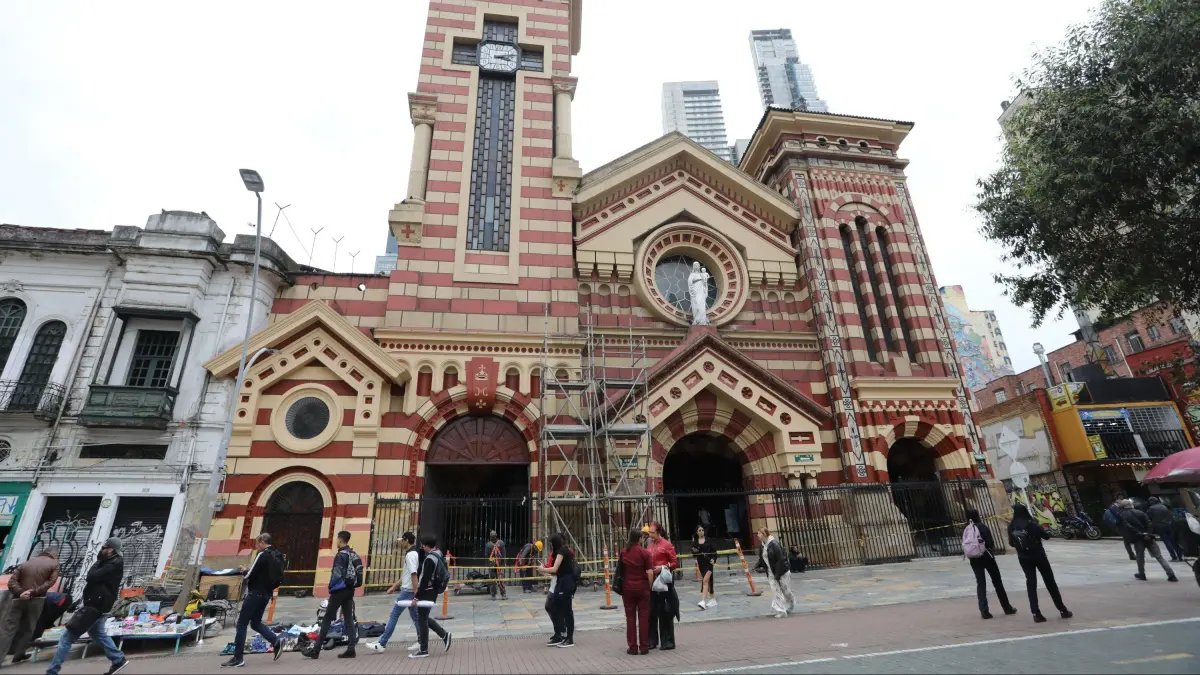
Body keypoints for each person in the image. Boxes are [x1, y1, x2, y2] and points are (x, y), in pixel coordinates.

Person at [45, 538, 126, 675]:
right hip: (97, 604)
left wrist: (98, 561)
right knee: (97, 633)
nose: (101, 549)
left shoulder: (114, 564)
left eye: (104, 548)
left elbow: (91, 576)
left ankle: (52, 671)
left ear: (111, 549)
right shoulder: (108, 562)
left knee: (67, 637)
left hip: (95, 605)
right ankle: (118, 659)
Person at [221, 533, 287, 667]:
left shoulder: (262, 555)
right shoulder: (277, 555)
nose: (257, 547)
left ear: (263, 542)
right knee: (255, 623)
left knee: (241, 624)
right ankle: (276, 641)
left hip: (255, 593)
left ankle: (238, 658)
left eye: (257, 544)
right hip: (266, 594)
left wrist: (244, 571)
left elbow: (249, 575)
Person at [1008, 504, 1073, 623]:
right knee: (1050, 582)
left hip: (1023, 558)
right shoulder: (1031, 524)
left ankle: (1035, 613)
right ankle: (1062, 609)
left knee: (1031, 583)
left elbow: (1011, 543)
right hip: (1038, 555)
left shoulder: (1011, 526)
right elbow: (1046, 536)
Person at [306, 530, 362, 659]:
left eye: (337, 539)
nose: (336, 541)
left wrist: (331, 587)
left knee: (327, 619)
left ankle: (316, 650)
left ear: (341, 539)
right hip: (350, 590)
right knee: (348, 618)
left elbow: (337, 574)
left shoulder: (340, 555)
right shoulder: (353, 554)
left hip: (339, 590)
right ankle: (351, 648)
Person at [0, 546, 58, 665]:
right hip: (37, 599)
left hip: (18, 599)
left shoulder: (27, 562)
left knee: (8, 629)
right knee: (28, 628)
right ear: (54, 554)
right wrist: (33, 592)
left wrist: (21, 592)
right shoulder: (54, 563)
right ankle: (19, 654)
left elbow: (12, 581)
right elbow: (51, 582)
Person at [366, 531, 421, 653]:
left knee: (394, 615)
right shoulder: (413, 554)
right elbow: (407, 574)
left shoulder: (410, 555)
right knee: (416, 616)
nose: (401, 543)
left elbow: (413, 574)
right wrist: (394, 586)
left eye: (402, 540)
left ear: (406, 540)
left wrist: (416, 593)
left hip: (408, 591)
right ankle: (421, 640)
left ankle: (382, 643)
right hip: (410, 589)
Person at [962, 509, 1017, 620]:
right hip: (987, 557)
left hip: (974, 559)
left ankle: (984, 610)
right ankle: (1006, 607)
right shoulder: (982, 527)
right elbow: (990, 543)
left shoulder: (966, 529)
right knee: (997, 582)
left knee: (981, 583)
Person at [411, 534, 452, 658]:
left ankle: (424, 649)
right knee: (423, 617)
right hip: (433, 590)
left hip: (427, 591)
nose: (422, 547)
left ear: (426, 545)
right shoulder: (438, 553)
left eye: (423, 544)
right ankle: (444, 635)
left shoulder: (429, 559)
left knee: (421, 619)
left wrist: (416, 596)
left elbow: (424, 580)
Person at [1118, 499, 1178, 582]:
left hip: (1138, 538)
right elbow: (1149, 523)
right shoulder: (1140, 512)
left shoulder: (1122, 515)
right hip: (1149, 537)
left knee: (1140, 557)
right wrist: (1148, 534)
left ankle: (1142, 574)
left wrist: (1140, 533)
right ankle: (1171, 574)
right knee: (1159, 557)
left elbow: (1128, 527)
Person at [619, 528, 653, 655]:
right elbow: (650, 572)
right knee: (644, 617)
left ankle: (632, 647)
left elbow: (621, 571)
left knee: (630, 618)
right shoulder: (645, 553)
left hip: (627, 588)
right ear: (639, 539)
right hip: (643, 588)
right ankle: (644, 646)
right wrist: (649, 586)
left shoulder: (624, 552)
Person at [645, 521, 679, 650]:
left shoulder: (667, 545)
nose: (650, 535)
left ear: (659, 532)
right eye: (649, 533)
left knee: (665, 611)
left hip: (664, 581)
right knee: (651, 611)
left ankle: (668, 641)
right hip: (652, 581)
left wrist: (663, 567)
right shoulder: (649, 544)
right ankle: (651, 641)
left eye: (652, 533)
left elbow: (675, 562)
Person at [541, 533, 577, 648]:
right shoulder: (558, 552)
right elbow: (554, 568)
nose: (550, 546)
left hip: (564, 583)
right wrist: (545, 569)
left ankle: (567, 637)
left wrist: (544, 569)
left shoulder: (563, 551)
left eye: (551, 543)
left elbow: (555, 568)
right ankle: (560, 633)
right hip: (559, 582)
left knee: (565, 610)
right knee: (554, 606)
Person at [753, 527, 795, 619]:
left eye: (759, 533)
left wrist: (778, 574)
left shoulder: (774, 544)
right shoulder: (762, 545)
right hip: (770, 573)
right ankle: (781, 611)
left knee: (786, 591)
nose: (757, 535)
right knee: (776, 591)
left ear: (764, 534)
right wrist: (757, 565)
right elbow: (762, 558)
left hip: (782, 571)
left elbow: (780, 560)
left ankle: (791, 603)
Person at [1147, 497, 1184, 562]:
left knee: (1167, 542)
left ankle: (1174, 557)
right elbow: (1169, 515)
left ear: (1151, 502)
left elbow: (1149, 519)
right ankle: (1180, 556)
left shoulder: (1151, 508)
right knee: (1173, 541)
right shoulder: (1164, 506)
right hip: (1169, 525)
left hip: (1160, 527)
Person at [691, 526, 717, 609]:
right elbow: (694, 554)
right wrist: (694, 550)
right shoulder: (695, 542)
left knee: (705, 581)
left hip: (709, 563)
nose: (701, 531)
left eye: (702, 530)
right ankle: (713, 599)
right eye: (699, 530)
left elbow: (714, 551)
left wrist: (714, 559)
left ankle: (703, 601)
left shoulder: (708, 540)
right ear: (697, 532)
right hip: (701, 564)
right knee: (708, 581)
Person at [484, 530, 507, 600]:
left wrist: (487, 565)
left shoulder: (488, 544)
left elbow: (486, 556)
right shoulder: (501, 542)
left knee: (493, 580)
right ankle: (503, 594)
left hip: (492, 564)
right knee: (500, 579)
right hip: (499, 564)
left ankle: (494, 595)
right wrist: (504, 563)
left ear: (490, 537)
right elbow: (503, 554)